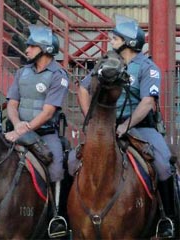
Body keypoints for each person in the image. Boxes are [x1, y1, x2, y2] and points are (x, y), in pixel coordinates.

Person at [76, 14, 174, 238]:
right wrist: (91, 121)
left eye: (116, 38)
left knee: (163, 166)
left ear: (129, 42)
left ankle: (168, 220)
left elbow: (148, 101)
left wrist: (125, 126)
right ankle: (67, 218)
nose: (111, 40)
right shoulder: (105, 63)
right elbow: (83, 89)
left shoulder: (148, 68)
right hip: (104, 128)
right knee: (73, 161)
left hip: (140, 128)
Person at [4, 25, 69, 238]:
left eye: (32, 46)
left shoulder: (59, 75)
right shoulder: (22, 72)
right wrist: (17, 125)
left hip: (45, 134)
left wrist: (26, 128)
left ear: (45, 49)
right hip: (18, 130)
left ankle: (57, 217)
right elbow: (12, 104)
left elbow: (49, 112)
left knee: (58, 166)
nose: (27, 50)